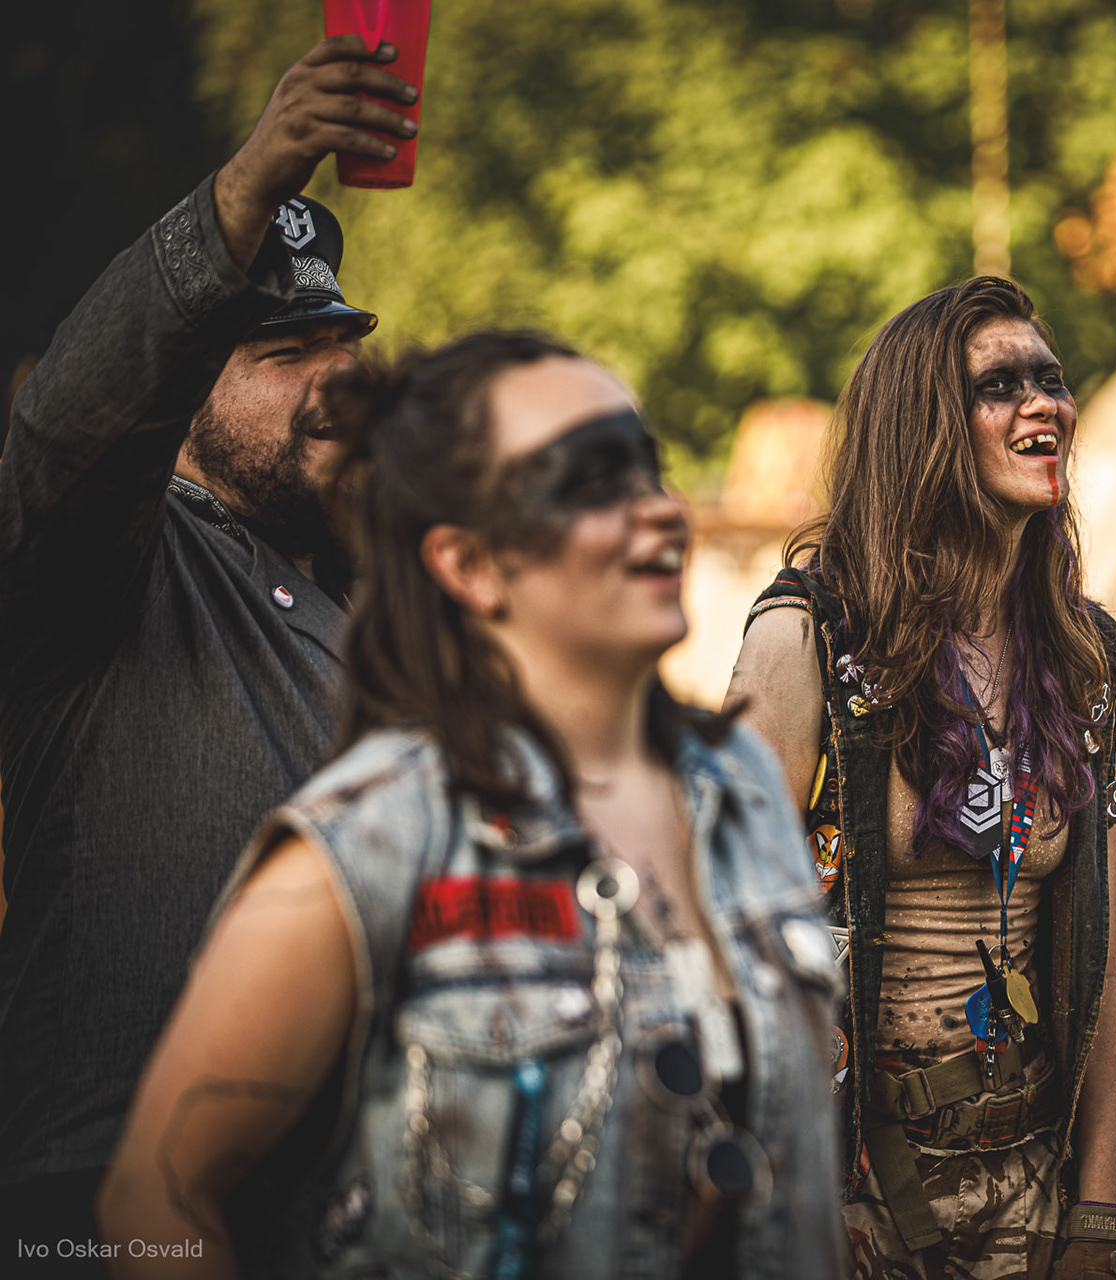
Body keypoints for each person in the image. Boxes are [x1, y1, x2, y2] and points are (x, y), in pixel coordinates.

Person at [96, 333, 848, 1278]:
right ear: (470, 563)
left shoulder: (741, 778)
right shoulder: (377, 835)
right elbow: (153, 1194)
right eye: (591, 480)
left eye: (648, 467)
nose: (659, 508)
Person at [0, 35, 419, 1262]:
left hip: (350, 1204)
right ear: (178, 398)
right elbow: (67, 428)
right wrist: (247, 185)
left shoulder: (387, 594)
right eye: (284, 355)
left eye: (343, 347)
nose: (333, 380)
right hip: (108, 1203)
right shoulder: (102, 558)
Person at [726, 276, 1116, 1279]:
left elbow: (1109, 964)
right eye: (1000, 385)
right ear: (921, 427)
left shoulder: (1082, 659)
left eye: (1051, 379)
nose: (1045, 405)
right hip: (851, 1193)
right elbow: (727, 944)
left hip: (1031, 1177)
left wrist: (1102, 1216)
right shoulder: (806, 642)